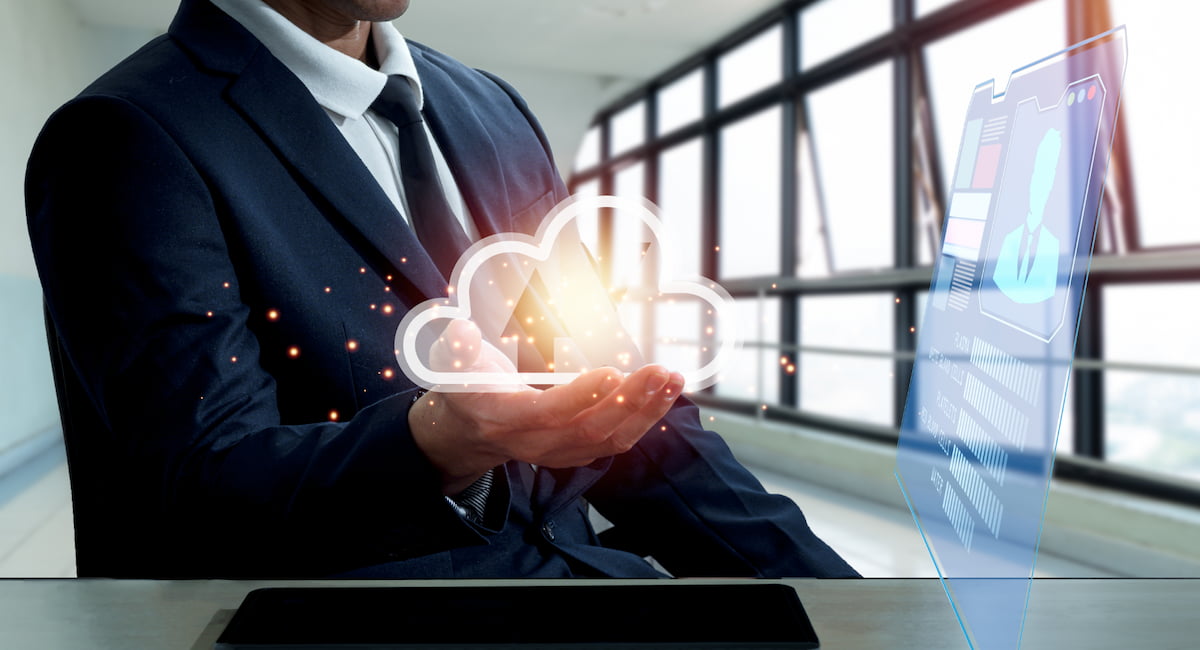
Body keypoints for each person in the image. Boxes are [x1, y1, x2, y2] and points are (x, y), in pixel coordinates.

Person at [25, 0, 858, 579]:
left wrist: (850, 606)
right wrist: (439, 444)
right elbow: (199, 496)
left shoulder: (493, 108)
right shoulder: (127, 137)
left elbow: (629, 424)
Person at [992, 128, 1063, 305]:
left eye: (1046, 177)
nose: (1039, 184)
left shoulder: (1054, 247)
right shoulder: (1008, 240)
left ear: (1052, 184)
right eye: (1036, 174)